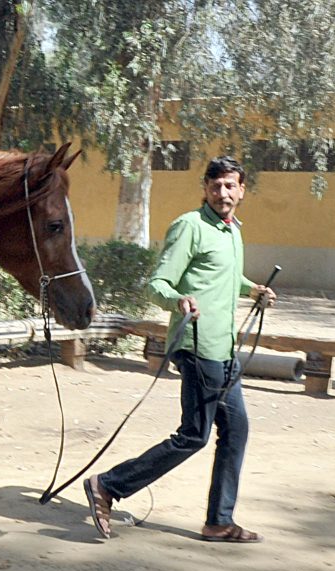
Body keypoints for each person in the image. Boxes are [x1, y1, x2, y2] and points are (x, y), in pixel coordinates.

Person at [84, 156, 276, 543]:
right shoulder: (190, 226)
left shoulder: (231, 230)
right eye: (216, 185)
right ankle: (108, 485)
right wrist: (178, 300)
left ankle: (219, 521)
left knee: (235, 431)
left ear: (242, 190)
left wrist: (252, 289)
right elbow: (158, 283)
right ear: (205, 188)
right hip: (197, 345)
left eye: (230, 186)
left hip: (224, 349)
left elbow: (223, 274)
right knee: (194, 434)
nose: (223, 193)